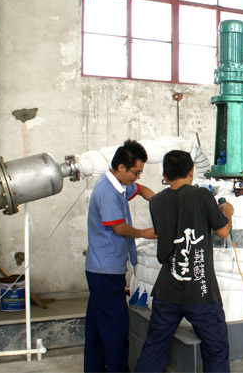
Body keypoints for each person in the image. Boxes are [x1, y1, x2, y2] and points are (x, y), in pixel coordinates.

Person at [135, 150, 234, 373]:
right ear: (191, 171)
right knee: (216, 348)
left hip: (167, 289)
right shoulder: (202, 196)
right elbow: (222, 231)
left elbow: (164, 231)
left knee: (154, 346)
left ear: (164, 175)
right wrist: (227, 211)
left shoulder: (156, 202)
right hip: (200, 290)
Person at [84, 139, 157, 372]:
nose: (137, 177)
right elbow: (119, 228)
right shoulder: (107, 191)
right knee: (116, 328)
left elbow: (142, 190)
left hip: (100, 268)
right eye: (135, 172)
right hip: (105, 271)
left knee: (96, 327)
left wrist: (160, 202)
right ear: (121, 167)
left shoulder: (120, 184)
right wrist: (146, 233)